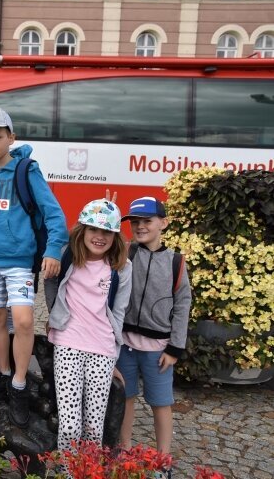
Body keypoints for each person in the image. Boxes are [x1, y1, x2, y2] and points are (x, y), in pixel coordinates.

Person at [0, 108, 69, 426]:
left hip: (19, 264)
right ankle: (4, 376)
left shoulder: (26, 170)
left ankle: (20, 386)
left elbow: (54, 214)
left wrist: (53, 251)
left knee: (22, 322)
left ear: (11, 137)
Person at [45, 199, 132, 451]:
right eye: (94, 229)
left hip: (102, 350)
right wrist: (56, 314)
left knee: (94, 427)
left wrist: (114, 358)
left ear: (115, 236)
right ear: (83, 230)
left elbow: (119, 313)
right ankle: (68, 472)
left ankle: (86, 471)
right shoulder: (66, 256)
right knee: (70, 425)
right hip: (68, 343)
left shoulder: (123, 268)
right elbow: (50, 281)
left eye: (107, 232)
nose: (99, 237)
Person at [117, 197, 191, 469]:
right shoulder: (126, 253)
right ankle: (123, 451)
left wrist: (174, 349)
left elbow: (183, 305)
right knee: (125, 398)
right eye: (135, 222)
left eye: (147, 221)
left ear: (164, 223)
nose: (140, 227)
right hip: (123, 344)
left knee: (161, 402)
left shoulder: (176, 262)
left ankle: (162, 461)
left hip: (158, 350)